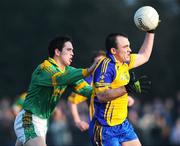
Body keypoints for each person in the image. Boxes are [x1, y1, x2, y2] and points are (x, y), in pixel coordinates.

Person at [13, 35, 100, 146]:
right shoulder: (45, 68)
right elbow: (59, 78)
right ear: (57, 52)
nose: (72, 53)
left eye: (72, 50)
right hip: (29, 118)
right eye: (69, 50)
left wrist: (115, 87)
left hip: (43, 122)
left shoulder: (69, 72)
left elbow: (88, 91)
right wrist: (89, 70)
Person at [89, 31, 156, 146]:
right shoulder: (105, 67)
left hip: (123, 125)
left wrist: (151, 30)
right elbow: (102, 96)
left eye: (129, 46)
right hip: (105, 129)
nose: (130, 49)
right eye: (125, 47)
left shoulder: (125, 62)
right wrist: (126, 88)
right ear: (113, 51)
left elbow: (145, 55)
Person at [68, 50, 136, 132]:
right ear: (93, 66)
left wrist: (127, 98)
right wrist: (78, 121)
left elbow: (113, 94)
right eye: (98, 63)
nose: (101, 66)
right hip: (100, 127)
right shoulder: (88, 83)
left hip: (118, 124)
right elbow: (71, 101)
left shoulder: (112, 77)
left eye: (103, 62)